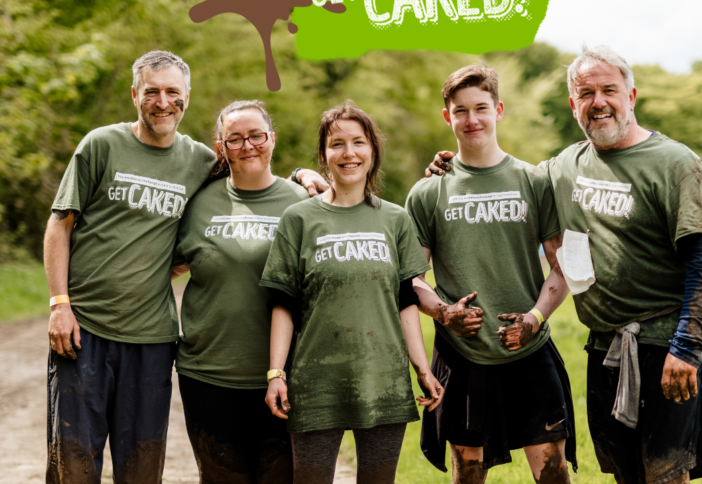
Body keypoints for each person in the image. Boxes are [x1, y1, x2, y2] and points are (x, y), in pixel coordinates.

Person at [427, 46, 702, 484]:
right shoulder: (564, 166)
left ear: (632, 95)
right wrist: (450, 165)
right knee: (625, 470)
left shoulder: (675, 163)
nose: (598, 101)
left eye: (609, 90)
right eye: (586, 93)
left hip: (667, 344)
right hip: (605, 346)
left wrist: (687, 347)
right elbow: (501, 174)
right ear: (573, 105)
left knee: (665, 472)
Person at [44, 52, 326, 483]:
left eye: (172, 92)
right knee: (73, 464)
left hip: (154, 339)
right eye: (152, 91)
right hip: (84, 331)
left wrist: (304, 173)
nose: (162, 101)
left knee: (142, 467)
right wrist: (59, 303)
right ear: (135, 94)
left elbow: (250, 168)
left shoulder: (199, 162)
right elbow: (59, 225)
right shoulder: (102, 144)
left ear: (186, 97)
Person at [405, 65, 576, 484]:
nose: (472, 119)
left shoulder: (533, 181)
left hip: (530, 348)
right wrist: (445, 313)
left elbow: (562, 266)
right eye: (460, 111)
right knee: (468, 471)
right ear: (447, 117)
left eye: (481, 108)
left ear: (498, 110)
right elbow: (410, 277)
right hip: (462, 352)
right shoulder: (428, 192)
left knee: (552, 471)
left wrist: (535, 318)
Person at [260, 101, 444, 484]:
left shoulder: (394, 218)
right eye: (337, 144)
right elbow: (283, 303)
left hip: (384, 382)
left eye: (358, 142)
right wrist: (276, 373)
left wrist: (422, 368)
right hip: (315, 384)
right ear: (324, 154)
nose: (349, 153)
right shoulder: (300, 218)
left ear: (372, 150)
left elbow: (406, 301)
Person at [172, 100, 310, 483]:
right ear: (221, 147)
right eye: (235, 139)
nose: (247, 145)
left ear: (272, 139)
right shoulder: (198, 203)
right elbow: (166, 265)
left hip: (285, 377)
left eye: (256, 136)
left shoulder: (302, 204)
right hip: (208, 374)